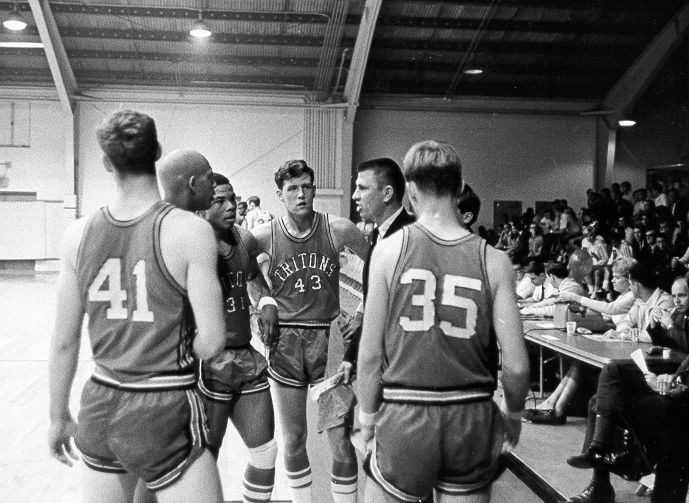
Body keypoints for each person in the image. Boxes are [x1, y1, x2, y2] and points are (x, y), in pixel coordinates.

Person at [48, 110, 226, 503]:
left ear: (106, 162)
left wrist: (57, 415)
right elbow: (212, 341)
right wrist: (173, 353)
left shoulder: (78, 235)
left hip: (100, 402)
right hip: (165, 402)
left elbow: (64, 341)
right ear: (157, 152)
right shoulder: (190, 231)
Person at [357, 140, 530, 503]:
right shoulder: (495, 260)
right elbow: (515, 367)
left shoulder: (389, 250)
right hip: (471, 413)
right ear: (461, 186)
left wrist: (368, 418)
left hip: (407, 410)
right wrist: (513, 414)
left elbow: (370, 356)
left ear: (411, 191)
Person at [251, 160, 369, 503]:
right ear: (280, 195)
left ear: (314, 189)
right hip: (286, 340)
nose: (301, 194)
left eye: (306, 186)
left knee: (340, 440)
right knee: (293, 438)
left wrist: (361, 312)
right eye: (292, 189)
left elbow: (378, 266)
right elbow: (243, 267)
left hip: (328, 340)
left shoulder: (339, 229)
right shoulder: (265, 234)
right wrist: (264, 300)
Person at [566, 278, 689, 503]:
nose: (676, 300)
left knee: (604, 397)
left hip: (681, 400)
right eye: (676, 295)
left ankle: (611, 460)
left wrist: (676, 386)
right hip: (672, 378)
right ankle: (600, 465)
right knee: (600, 396)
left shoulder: (670, 309)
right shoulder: (675, 312)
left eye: (682, 295)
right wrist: (672, 376)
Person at [196, 173, 280, 503]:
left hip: (245, 356)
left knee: (266, 452)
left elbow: (255, 277)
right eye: (220, 201)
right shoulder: (189, 244)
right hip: (207, 364)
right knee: (201, 463)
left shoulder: (244, 238)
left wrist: (267, 302)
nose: (231, 206)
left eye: (232, 198)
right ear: (202, 208)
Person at [524, 258, 638, 425]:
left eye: (616, 277)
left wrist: (578, 300)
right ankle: (553, 404)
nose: (612, 280)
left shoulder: (631, 297)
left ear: (629, 280)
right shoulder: (622, 296)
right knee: (577, 361)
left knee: (580, 363)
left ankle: (556, 408)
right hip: (614, 341)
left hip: (622, 349)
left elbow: (610, 310)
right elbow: (606, 315)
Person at [343, 157, 415, 378]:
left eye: (362, 188)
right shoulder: (378, 233)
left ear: (387, 194)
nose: (355, 195)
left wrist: (353, 354)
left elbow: (384, 310)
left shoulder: (408, 237)